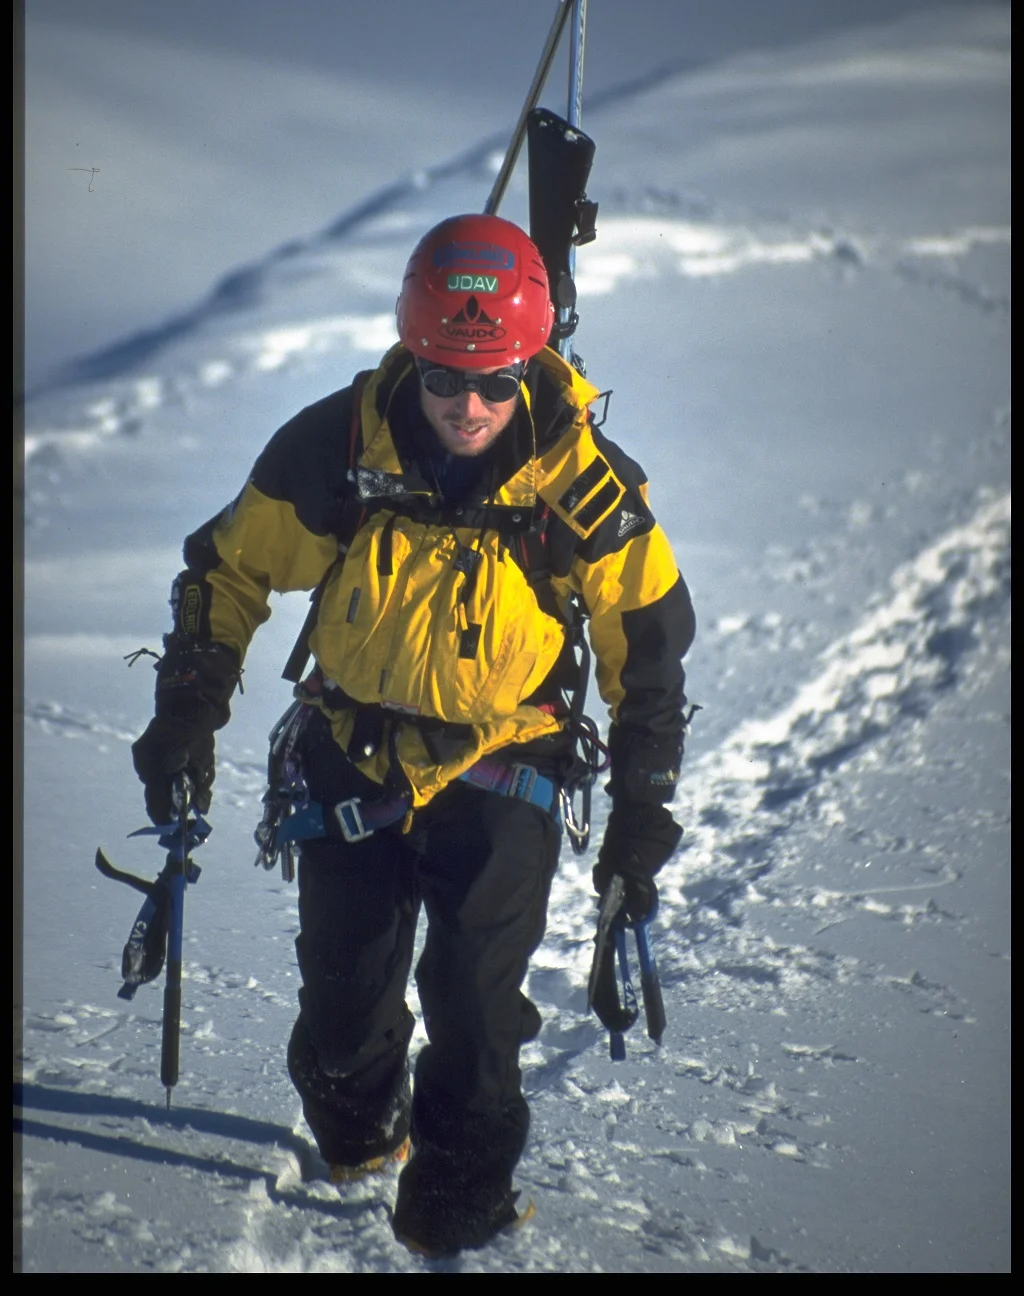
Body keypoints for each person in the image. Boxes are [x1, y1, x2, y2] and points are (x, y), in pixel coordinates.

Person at [131, 213, 695, 1258]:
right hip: (351, 756)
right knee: (343, 1014)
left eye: (494, 383)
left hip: (505, 762)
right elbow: (230, 568)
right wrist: (187, 710)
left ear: (530, 366)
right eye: (444, 379)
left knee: (475, 1009)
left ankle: (458, 1204)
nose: (467, 407)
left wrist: (642, 806)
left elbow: (648, 643)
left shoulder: (578, 481)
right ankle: (357, 1129)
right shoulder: (340, 446)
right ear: (411, 355)